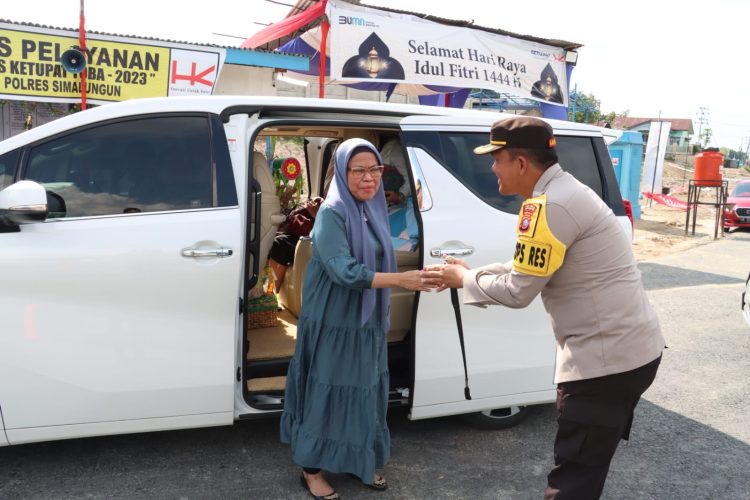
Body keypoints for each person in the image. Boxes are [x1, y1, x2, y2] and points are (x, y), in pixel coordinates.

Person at [420, 116, 666, 500]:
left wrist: (464, 280)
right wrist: (471, 273)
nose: (491, 167)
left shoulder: (549, 207)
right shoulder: (564, 193)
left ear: (520, 164)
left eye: (496, 159)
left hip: (604, 364)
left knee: (573, 481)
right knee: (585, 468)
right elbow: (525, 267)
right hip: (628, 353)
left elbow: (519, 291)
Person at [280, 138, 430, 499]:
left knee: (364, 391)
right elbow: (343, 270)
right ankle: (311, 470)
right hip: (334, 320)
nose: (369, 178)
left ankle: (359, 460)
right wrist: (401, 280)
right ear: (342, 172)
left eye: (375, 169)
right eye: (358, 170)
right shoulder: (333, 212)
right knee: (328, 390)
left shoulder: (374, 207)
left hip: (365, 320)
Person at [267, 196, 323, 291]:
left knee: (279, 243)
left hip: (317, 245)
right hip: (304, 238)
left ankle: (269, 291)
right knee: (272, 240)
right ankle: (267, 289)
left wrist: (316, 215)